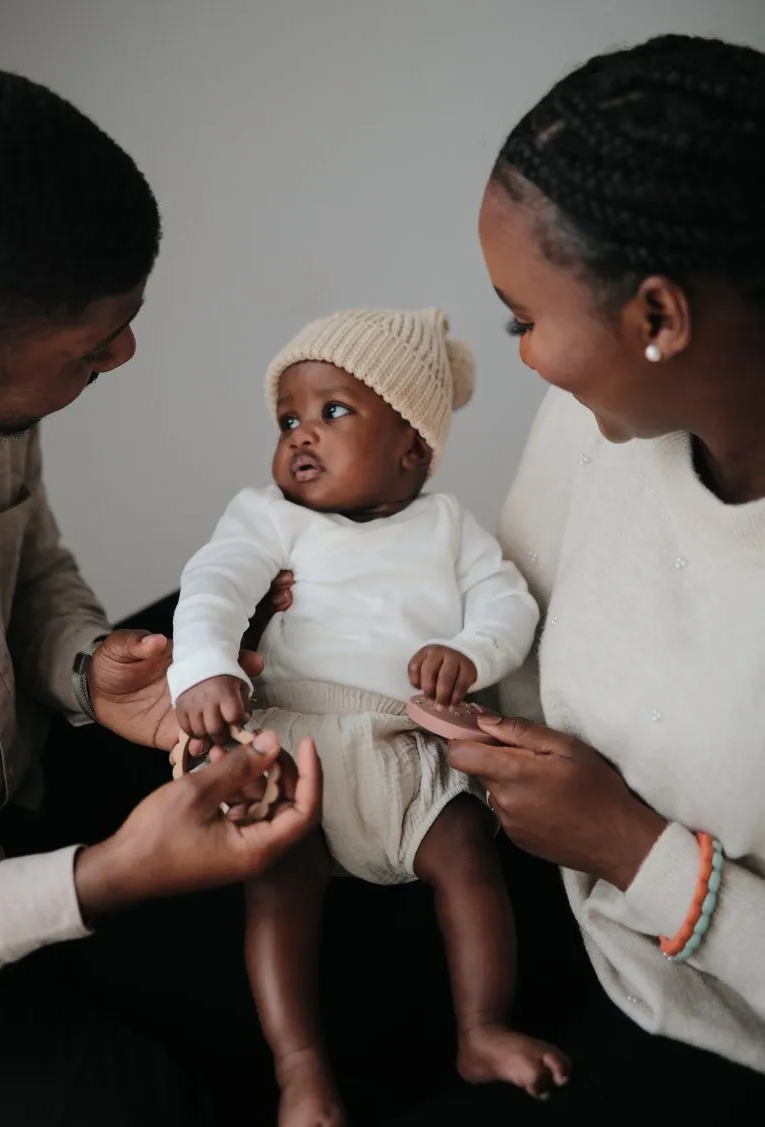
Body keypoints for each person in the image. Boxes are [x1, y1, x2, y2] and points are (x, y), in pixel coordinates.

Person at [0, 64, 322, 1127]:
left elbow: (31, 568)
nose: (124, 352)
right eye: (91, 348)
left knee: (295, 657)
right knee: (150, 1101)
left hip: (11, 799)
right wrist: (104, 878)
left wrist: (84, 666)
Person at [398, 33, 765, 1123]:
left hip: (714, 1027)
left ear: (658, 316)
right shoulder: (601, 426)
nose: (523, 356)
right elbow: (514, 616)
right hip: (551, 899)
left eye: (523, 319)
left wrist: (627, 845)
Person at [167, 306, 569, 1127]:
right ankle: (300, 1068)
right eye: (288, 418)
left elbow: (510, 603)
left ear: (411, 447)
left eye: (332, 410)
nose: (300, 435)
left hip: (404, 738)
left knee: (466, 855)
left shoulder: (450, 527)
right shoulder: (268, 517)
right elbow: (214, 584)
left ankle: (482, 1027)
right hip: (298, 737)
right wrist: (205, 667)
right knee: (277, 881)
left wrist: (470, 651)